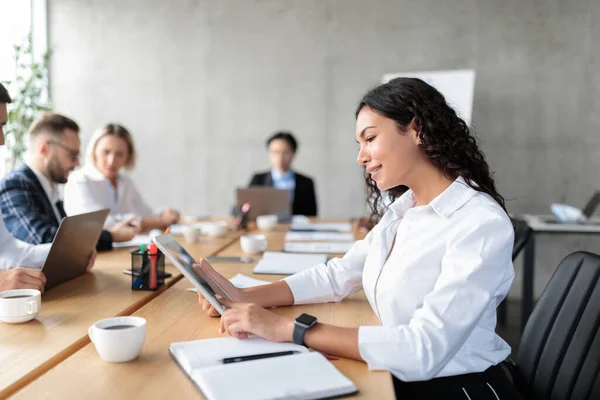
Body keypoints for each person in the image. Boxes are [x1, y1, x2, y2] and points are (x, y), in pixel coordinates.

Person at [196, 78, 522, 399]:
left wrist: (289, 330)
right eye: (359, 144)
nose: (361, 157)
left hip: (457, 388)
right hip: (399, 375)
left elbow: (423, 349)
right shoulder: (403, 209)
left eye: (369, 138)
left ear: (416, 129)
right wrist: (244, 295)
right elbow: (338, 275)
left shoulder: (478, 222)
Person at [0, 84, 92, 292]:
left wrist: (72, 253)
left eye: (3, 127)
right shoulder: (15, 184)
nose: (2, 141)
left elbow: (6, 249)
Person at [0, 114, 138, 250]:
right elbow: (45, 240)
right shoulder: (14, 185)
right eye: (72, 154)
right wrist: (110, 236)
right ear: (44, 149)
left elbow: (66, 237)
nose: (77, 163)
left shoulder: (50, 187)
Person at [64, 123, 179, 230]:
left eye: (119, 154)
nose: (111, 161)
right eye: (106, 152)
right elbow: (97, 224)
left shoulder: (126, 182)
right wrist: (156, 222)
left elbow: (146, 212)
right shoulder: (79, 180)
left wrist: (166, 213)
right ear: (94, 151)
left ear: (128, 157)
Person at [248, 131, 317, 216]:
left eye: (285, 152)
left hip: (295, 227)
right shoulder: (259, 179)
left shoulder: (306, 182)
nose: (279, 157)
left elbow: (312, 214)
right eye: (275, 152)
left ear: (293, 154)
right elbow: (241, 208)